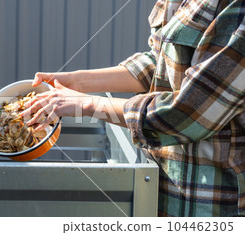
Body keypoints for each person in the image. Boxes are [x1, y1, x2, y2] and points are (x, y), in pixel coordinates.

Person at [22, 0, 244, 216]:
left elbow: (186, 113)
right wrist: (79, 81)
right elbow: (160, 62)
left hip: (210, 206)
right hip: (162, 187)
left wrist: (85, 104)